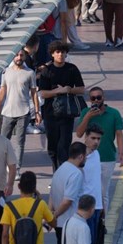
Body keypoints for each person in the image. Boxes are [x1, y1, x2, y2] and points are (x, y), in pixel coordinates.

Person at [37, 40, 85, 169]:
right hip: (50, 113)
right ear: (52, 54)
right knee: (52, 146)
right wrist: (57, 91)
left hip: (67, 113)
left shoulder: (72, 69)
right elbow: (42, 93)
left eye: (63, 52)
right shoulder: (47, 71)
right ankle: (56, 170)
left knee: (63, 144)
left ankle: (62, 172)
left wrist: (69, 90)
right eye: (57, 52)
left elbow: (81, 89)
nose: (61, 55)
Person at [50, 142, 87, 244]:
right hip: (68, 223)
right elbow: (68, 201)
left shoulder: (60, 169)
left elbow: (52, 195)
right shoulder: (76, 174)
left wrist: (51, 216)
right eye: (84, 156)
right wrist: (55, 215)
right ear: (80, 156)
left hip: (59, 223)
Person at [75, 86, 123, 201]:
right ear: (90, 100)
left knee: (103, 192)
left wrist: (121, 153)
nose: (96, 100)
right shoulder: (85, 113)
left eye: (98, 97)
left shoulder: (114, 113)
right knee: (87, 190)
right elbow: (79, 133)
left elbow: (119, 134)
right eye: (93, 98)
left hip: (107, 158)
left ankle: (103, 218)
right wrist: (88, 117)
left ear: (103, 97)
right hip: (88, 157)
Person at [0, 49, 40, 169]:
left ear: (25, 57)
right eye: (17, 55)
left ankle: (17, 168)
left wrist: (37, 112)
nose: (19, 57)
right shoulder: (6, 72)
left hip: (23, 112)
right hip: (7, 111)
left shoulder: (30, 73)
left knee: (20, 142)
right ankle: (1, 165)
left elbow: (34, 93)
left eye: (21, 55)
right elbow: (2, 91)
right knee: (4, 140)